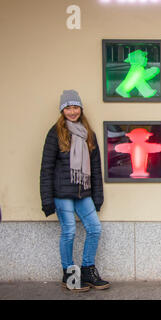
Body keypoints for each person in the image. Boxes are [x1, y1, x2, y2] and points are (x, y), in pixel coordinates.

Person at [40, 90, 110, 292]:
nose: (72, 111)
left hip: (83, 192)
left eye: (75, 107)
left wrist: (98, 197)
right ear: (62, 110)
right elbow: (46, 168)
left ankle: (87, 270)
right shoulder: (55, 133)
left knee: (95, 228)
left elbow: (95, 169)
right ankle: (70, 275)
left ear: (81, 109)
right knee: (69, 231)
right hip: (62, 194)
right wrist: (47, 199)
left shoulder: (88, 134)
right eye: (68, 108)